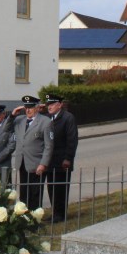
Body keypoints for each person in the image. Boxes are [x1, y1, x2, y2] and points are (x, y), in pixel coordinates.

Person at [9, 95, 53, 210]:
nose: (28, 110)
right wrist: (12, 115)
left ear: (37, 108)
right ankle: (25, 217)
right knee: (24, 192)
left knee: (35, 193)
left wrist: (43, 164)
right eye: (26, 107)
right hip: (22, 162)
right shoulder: (19, 120)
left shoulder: (45, 122)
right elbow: (5, 128)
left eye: (31, 107)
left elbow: (49, 146)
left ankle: (35, 217)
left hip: (36, 163)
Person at [45, 94, 78, 223]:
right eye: (48, 104)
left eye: (52, 104)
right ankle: (55, 212)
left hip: (62, 160)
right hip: (50, 160)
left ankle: (61, 214)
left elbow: (72, 139)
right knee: (51, 188)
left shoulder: (68, 118)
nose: (50, 107)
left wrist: (68, 158)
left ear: (60, 104)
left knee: (61, 188)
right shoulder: (48, 118)